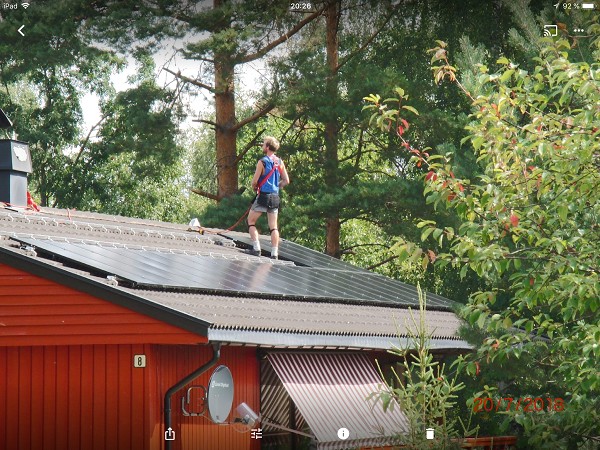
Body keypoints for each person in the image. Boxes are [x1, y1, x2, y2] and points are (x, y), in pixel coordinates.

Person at [247, 136, 290, 259]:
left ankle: (256, 248)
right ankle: (274, 253)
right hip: (275, 197)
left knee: (250, 221)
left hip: (263, 196)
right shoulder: (279, 162)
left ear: (267, 147)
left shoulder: (262, 162)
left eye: (264, 144)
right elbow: (286, 181)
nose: (262, 145)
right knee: (273, 226)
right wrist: (276, 186)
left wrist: (255, 188)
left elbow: (254, 182)